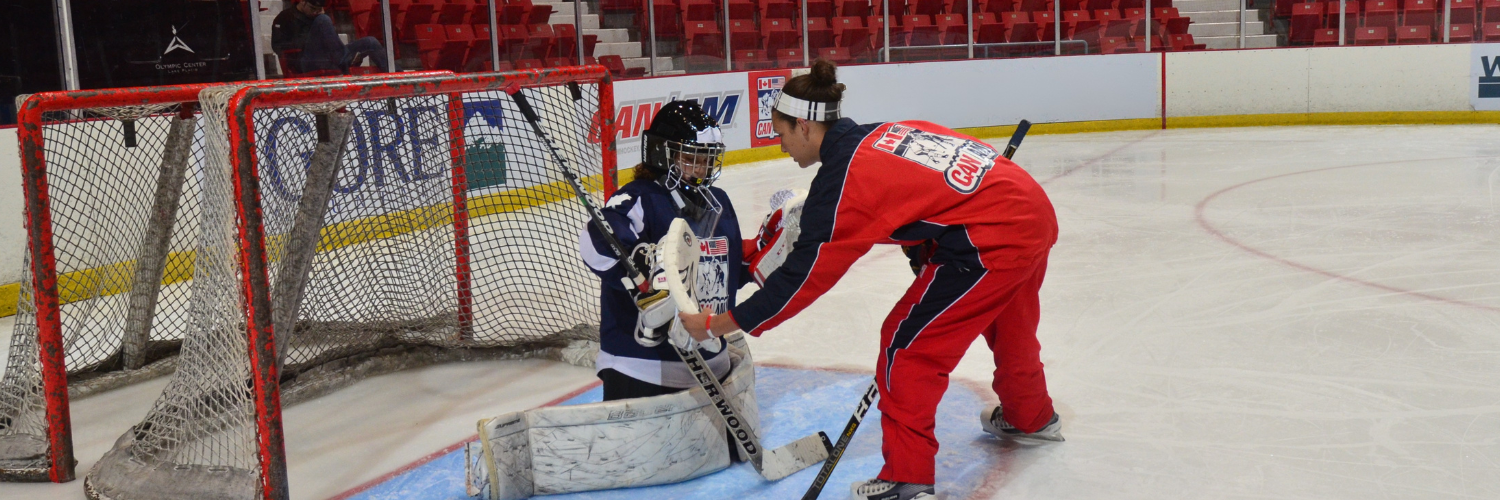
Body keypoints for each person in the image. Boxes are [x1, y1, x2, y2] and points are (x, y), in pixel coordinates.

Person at [677, 59, 1063, 500]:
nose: (781, 147)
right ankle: (1030, 416)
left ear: (804, 127)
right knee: (1009, 326)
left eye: (781, 134)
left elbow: (802, 280)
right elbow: (927, 195)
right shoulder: (882, 133)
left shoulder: (843, 180)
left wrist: (722, 323)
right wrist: (924, 249)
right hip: (1029, 209)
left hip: (990, 238)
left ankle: (908, 477)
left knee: (907, 349)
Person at [578, 100, 750, 403]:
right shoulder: (641, 198)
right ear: (662, 154)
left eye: (706, 160)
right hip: (642, 368)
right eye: (691, 158)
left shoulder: (717, 200)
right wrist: (640, 275)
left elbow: (728, 275)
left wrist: (769, 252)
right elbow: (596, 240)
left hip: (712, 366)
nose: (701, 169)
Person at [271, 0, 389, 75]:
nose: (315, 12)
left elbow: (331, 41)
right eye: (313, 8)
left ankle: (399, 78)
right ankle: (344, 59)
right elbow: (277, 46)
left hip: (330, 56)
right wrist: (305, 41)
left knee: (371, 42)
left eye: (319, 10)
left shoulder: (317, 17)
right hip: (304, 59)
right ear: (302, 1)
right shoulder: (285, 17)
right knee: (323, 19)